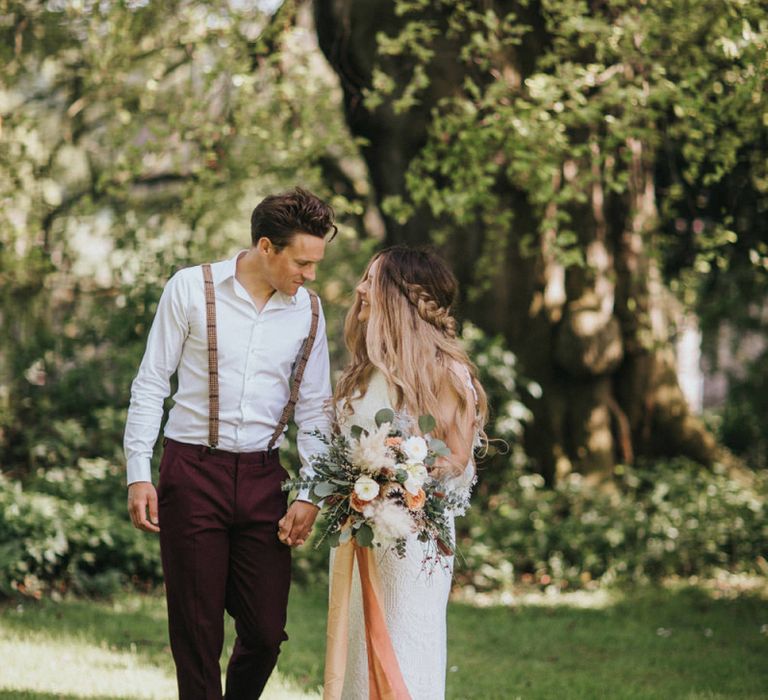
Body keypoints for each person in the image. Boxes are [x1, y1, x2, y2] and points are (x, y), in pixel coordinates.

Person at [124, 187, 336, 699]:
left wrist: (310, 492)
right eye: (302, 263)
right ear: (267, 247)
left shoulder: (307, 311)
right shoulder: (190, 289)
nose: (310, 275)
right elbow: (152, 381)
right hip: (191, 471)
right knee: (196, 633)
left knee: (265, 632)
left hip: (265, 477)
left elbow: (315, 408)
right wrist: (138, 471)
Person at [329, 246, 488, 699]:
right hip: (356, 538)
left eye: (371, 280)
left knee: (405, 650)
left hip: (413, 545)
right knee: (356, 659)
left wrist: (395, 481)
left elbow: (456, 462)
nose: (360, 288)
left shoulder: (443, 372)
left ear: (400, 296)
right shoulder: (364, 372)